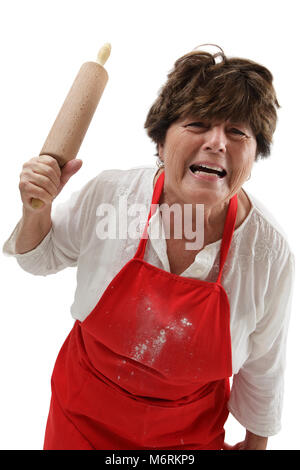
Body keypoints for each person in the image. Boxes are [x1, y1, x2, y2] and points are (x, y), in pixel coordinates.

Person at [3, 44, 295, 450]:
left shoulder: (269, 252)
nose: (217, 142)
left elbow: (264, 367)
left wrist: (255, 445)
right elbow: (38, 258)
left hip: (186, 438)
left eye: (237, 132)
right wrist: (38, 207)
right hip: (82, 419)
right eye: (198, 124)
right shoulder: (112, 195)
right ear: (160, 141)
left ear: (253, 154)